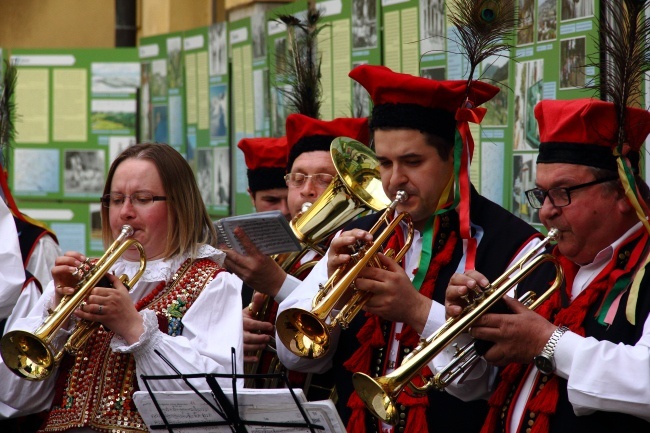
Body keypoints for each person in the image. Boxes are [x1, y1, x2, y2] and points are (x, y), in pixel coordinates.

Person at [275, 64, 547, 433]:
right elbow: (298, 358)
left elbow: (485, 384)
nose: (394, 179)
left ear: (454, 158)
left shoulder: (513, 245)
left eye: (412, 162)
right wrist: (329, 284)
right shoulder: (357, 234)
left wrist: (417, 311)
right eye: (385, 162)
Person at [0, 143, 243, 432]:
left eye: (142, 199)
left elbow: (218, 400)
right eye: (116, 200)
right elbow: (12, 398)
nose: (125, 212)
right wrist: (57, 310)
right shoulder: (85, 278)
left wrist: (134, 329)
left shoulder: (212, 283)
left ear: (179, 205)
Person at [441, 98, 650, 432]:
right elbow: (480, 386)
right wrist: (468, 331)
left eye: (563, 192)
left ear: (623, 194)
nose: (545, 211)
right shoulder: (544, 264)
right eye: (542, 194)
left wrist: (547, 343)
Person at [225, 114, 370, 398]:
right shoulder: (275, 252)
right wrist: (232, 332)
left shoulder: (363, 251)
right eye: (298, 178)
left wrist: (278, 284)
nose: (306, 190)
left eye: (325, 180)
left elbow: (346, 342)